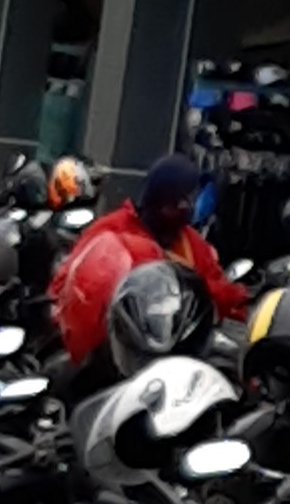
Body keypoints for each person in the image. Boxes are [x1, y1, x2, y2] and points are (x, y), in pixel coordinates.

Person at [52, 154, 237, 370]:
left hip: (179, 358)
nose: (190, 207)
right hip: (112, 357)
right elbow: (68, 289)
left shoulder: (191, 243)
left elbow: (221, 293)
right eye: (183, 201)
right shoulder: (110, 231)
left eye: (191, 200)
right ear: (163, 203)